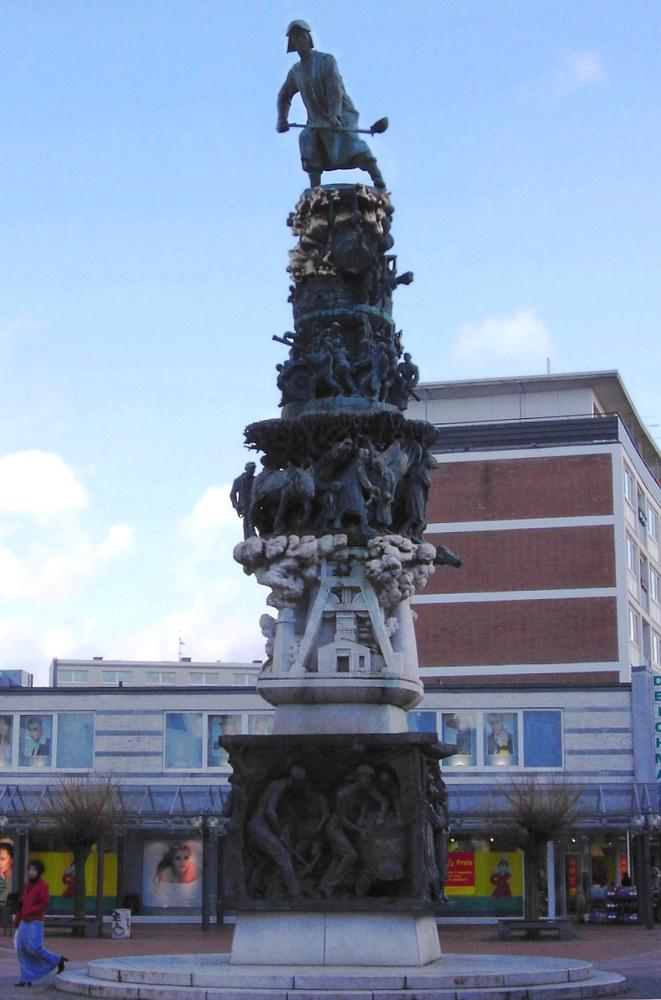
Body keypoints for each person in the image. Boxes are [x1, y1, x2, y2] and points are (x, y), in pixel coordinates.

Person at [277, 20, 386, 189]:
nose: (300, 41)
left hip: (341, 113)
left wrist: (335, 115)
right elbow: (284, 96)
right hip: (316, 121)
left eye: (302, 37)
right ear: (292, 43)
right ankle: (315, 189)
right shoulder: (296, 72)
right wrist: (282, 119)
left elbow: (334, 89)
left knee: (350, 144)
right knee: (307, 139)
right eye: (296, 38)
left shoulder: (326, 61)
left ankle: (377, 177)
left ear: (309, 39)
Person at [13, 859, 67, 987]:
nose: (31, 872)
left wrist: (30, 910)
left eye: (34, 870)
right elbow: (22, 903)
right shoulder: (26, 884)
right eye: (30, 869)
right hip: (24, 920)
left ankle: (57, 959)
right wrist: (18, 919)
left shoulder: (43, 885)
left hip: (35, 920)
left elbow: (44, 904)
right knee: (21, 948)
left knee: (35, 947)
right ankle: (26, 978)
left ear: (39, 872)